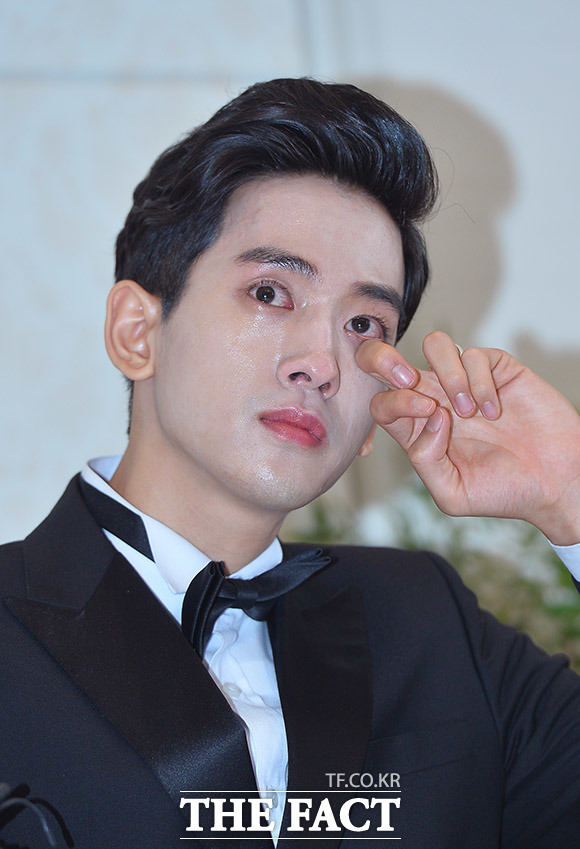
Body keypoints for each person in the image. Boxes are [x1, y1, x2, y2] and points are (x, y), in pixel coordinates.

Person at [1, 77, 580, 849]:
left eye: (364, 323)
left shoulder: (432, 623)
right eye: (271, 292)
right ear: (138, 331)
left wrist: (571, 494)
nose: (323, 363)